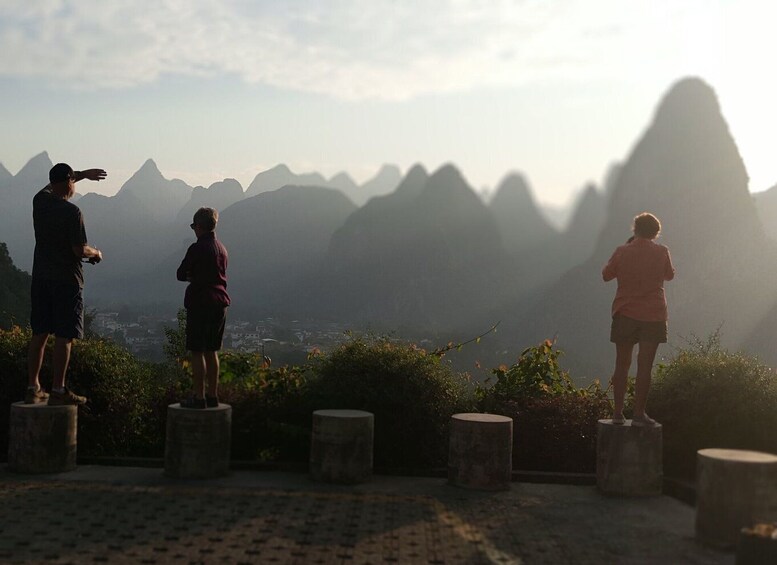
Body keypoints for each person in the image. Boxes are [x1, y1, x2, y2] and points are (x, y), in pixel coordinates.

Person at [27, 163, 106, 405]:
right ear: (70, 182)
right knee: (64, 335)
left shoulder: (38, 202)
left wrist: (80, 175)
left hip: (41, 278)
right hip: (66, 281)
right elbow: (78, 250)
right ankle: (59, 389)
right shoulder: (72, 212)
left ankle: (33, 387)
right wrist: (96, 253)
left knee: (39, 333)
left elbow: (50, 187)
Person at [602, 212, 675, 427]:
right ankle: (639, 413)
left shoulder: (622, 251)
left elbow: (606, 275)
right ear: (655, 233)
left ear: (634, 229)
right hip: (653, 314)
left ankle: (617, 413)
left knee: (621, 364)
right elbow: (669, 275)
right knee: (645, 366)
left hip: (625, 312)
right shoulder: (662, 252)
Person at [176, 207, 230, 409]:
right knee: (212, 350)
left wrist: (193, 276)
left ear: (199, 226)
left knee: (197, 351)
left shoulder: (197, 248)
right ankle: (213, 395)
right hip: (220, 302)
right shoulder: (222, 249)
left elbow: (181, 273)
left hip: (200, 302)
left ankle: (199, 397)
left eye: (193, 226)